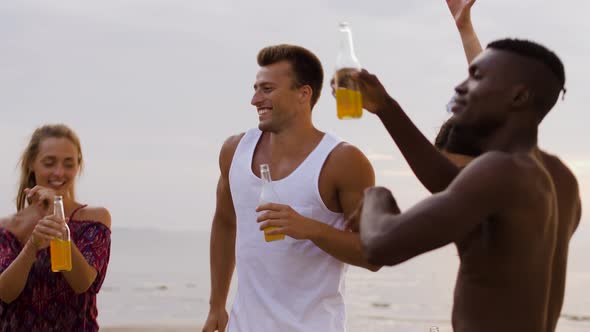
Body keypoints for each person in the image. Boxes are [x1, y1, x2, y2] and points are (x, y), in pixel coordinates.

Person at [348, 38, 580, 332]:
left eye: (476, 77)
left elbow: (381, 246)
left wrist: (375, 196)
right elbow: (449, 184)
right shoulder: (559, 178)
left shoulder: (502, 170)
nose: (460, 86)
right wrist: (387, 108)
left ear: (519, 98)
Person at [203, 44, 377, 332]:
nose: (255, 99)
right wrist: (216, 306)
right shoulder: (234, 151)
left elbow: (373, 254)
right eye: (256, 88)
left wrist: (311, 228)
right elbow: (225, 223)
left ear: (303, 94)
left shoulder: (343, 161)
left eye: (267, 89)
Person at [0, 124, 112, 331]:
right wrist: (32, 246)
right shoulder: (7, 229)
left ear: (78, 166)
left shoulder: (95, 219)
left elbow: (82, 283)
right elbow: (5, 293)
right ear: (32, 164)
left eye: (68, 164)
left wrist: (56, 213)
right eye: (49, 163)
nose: (59, 172)